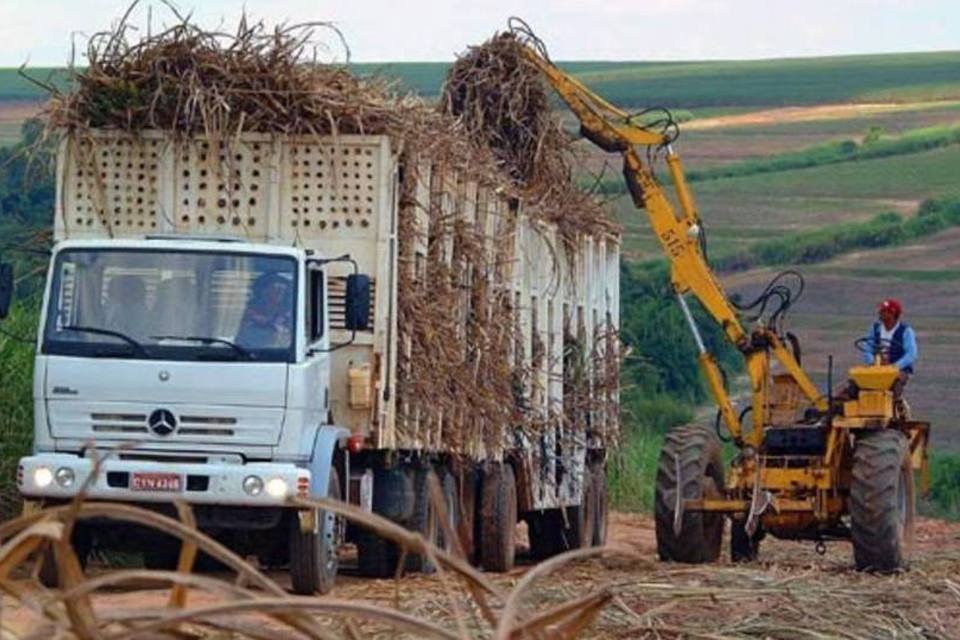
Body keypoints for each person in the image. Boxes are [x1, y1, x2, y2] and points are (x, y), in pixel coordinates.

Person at [837, 298, 917, 404]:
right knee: (856, 381)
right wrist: (872, 362)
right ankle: (845, 401)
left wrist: (894, 367)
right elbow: (867, 348)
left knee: (895, 382)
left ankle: (893, 404)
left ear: (892, 314)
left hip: (897, 370)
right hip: (876, 367)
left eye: (884, 311)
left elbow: (911, 354)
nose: (880, 313)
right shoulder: (875, 329)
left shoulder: (906, 331)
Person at [236, 273, 293, 349]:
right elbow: (240, 338)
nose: (280, 292)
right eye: (275, 288)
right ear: (262, 291)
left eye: (282, 288)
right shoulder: (247, 313)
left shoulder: (290, 315)